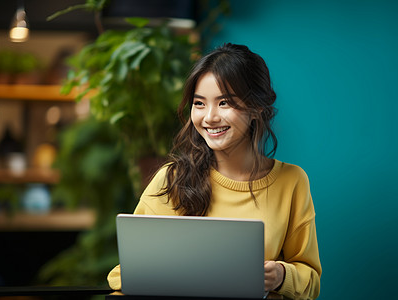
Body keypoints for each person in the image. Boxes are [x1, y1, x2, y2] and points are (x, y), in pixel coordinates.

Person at [107, 43, 322, 299]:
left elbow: (311, 282)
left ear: (256, 109)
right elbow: (123, 274)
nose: (209, 117)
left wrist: (281, 275)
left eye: (224, 103)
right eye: (199, 103)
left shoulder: (292, 182)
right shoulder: (172, 178)